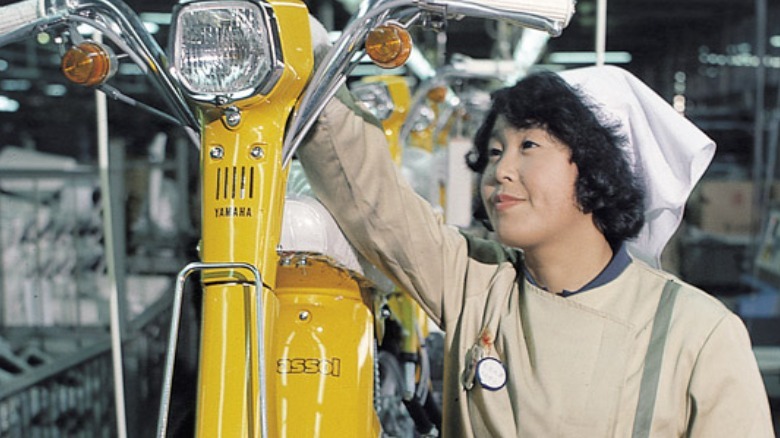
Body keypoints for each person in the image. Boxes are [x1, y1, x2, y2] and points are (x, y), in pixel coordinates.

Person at [296, 66, 775, 436]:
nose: (500, 171)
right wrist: (307, 63)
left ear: (595, 169)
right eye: (496, 151)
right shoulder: (477, 282)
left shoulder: (696, 332)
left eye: (528, 145)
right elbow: (369, 193)